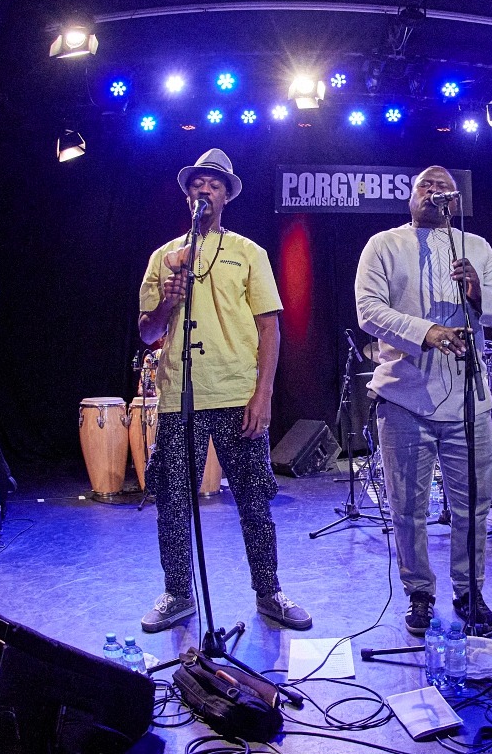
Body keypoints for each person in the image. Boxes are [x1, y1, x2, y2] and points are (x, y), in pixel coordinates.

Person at [137, 148, 311, 632]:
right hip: (180, 395)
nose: (205, 190)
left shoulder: (248, 252)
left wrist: (263, 394)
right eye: (198, 183)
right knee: (174, 503)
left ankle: (269, 591)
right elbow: (148, 332)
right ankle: (177, 593)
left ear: (226, 196)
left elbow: (270, 327)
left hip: (238, 394)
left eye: (214, 184)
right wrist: (166, 305)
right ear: (187, 193)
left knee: (254, 501)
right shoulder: (163, 258)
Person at [355, 166, 492, 634]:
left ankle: (470, 592)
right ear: (411, 197)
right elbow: (368, 311)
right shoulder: (383, 245)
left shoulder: (476, 247)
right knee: (408, 508)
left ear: (456, 201)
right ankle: (420, 592)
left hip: (469, 401)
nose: (435, 191)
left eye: (444, 187)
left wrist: (478, 293)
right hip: (404, 397)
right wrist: (427, 332)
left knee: (473, 506)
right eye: (426, 185)